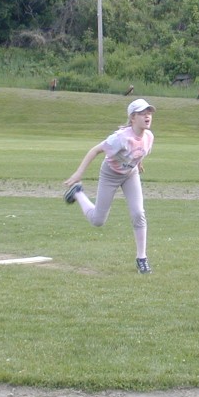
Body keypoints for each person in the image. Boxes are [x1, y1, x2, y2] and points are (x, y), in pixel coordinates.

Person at [63, 99, 156, 274]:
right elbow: (95, 150)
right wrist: (78, 174)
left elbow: (139, 151)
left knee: (138, 213)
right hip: (110, 175)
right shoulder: (120, 138)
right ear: (132, 117)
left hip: (130, 175)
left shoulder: (149, 137)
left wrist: (139, 163)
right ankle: (78, 193)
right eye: (143, 113)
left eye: (149, 113)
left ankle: (142, 258)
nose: (147, 116)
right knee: (98, 220)